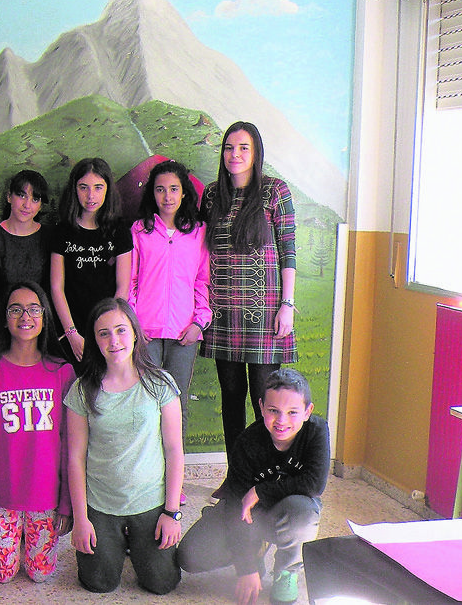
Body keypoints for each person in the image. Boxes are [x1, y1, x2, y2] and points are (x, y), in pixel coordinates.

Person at [63, 298, 183, 595]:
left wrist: (171, 513)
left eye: (121, 330)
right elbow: (75, 458)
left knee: (162, 583)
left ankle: (136, 544)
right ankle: (118, 543)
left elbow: (174, 450)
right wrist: (81, 519)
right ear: (94, 340)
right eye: (103, 333)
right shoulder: (82, 390)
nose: (114, 340)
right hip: (101, 504)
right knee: (99, 583)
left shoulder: (160, 384)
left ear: (134, 333)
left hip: (150, 502)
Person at [179, 368, 327, 605]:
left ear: (308, 411)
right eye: (273, 411)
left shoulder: (317, 432)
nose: (282, 420)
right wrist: (246, 568)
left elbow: (314, 484)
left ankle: (286, 571)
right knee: (190, 556)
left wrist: (260, 491)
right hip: (248, 515)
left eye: (292, 412)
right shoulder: (247, 443)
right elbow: (238, 507)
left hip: (291, 510)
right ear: (261, 407)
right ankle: (254, 548)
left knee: (305, 514)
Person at [0, 281, 74, 584]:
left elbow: (71, 446)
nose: (24, 316)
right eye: (15, 309)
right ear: (4, 317)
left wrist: (66, 503)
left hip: (46, 497)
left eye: (33, 309)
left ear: (44, 316)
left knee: (41, 575)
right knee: (2, 575)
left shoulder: (62, 372)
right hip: (1, 497)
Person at [200, 122, 298, 452]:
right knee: (230, 397)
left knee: (265, 401)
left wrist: (288, 305)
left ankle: (263, 480)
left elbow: (288, 250)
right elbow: (202, 251)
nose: (235, 154)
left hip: (265, 314)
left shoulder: (275, 191)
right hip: (222, 312)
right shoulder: (212, 195)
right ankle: (236, 477)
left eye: (243, 147)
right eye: (229, 147)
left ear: (255, 153)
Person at [129, 159, 210, 501]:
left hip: (183, 335)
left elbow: (203, 281)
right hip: (145, 333)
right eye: (160, 189)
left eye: (174, 189)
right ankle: (144, 479)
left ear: (184, 192)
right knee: (145, 402)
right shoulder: (139, 231)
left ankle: (172, 483)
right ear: (152, 193)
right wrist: (133, 325)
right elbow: (130, 282)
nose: (167, 196)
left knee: (177, 405)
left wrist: (198, 322)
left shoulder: (198, 232)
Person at [50, 158, 132, 363]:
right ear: (74, 189)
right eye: (83, 187)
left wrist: (107, 331)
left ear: (107, 189)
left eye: (98, 187)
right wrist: (72, 334)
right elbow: (56, 286)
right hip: (70, 331)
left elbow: (123, 287)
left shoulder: (119, 230)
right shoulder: (62, 231)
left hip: (108, 332)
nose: (91, 195)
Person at [0, 170, 53, 352]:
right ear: (9, 197)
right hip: (3, 330)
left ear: (41, 205)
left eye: (35, 199)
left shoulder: (50, 237)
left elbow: (54, 288)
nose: (27, 205)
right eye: (21, 195)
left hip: (42, 329)